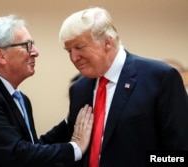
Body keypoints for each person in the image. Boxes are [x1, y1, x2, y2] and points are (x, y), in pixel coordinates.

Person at [0, 15, 93, 167]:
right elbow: (17, 155)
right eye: (27, 45)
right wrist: (75, 147)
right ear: (1, 55)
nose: (35, 52)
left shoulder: (19, 98)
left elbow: (32, 147)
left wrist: (70, 123)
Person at [59, 7, 188, 167]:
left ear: (107, 42)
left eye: (79, 47)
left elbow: (180, 153)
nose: (73, 57)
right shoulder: (79, 89)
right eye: (69, 51)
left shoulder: (160, 78)